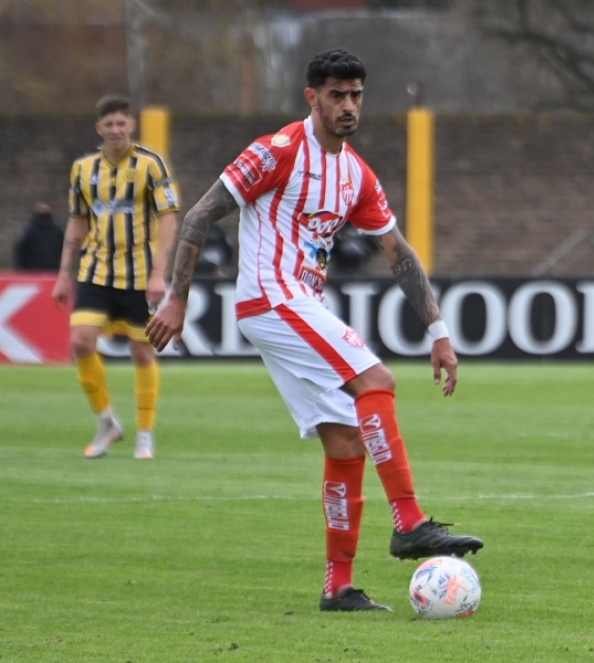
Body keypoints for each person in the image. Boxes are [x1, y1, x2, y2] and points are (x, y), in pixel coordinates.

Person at [146, 49, 483, 612]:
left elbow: (397, 253)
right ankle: (409, 522)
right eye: (336, 95)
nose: (348, 105)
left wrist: (439, 332)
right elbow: (201, 213)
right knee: (376, 380)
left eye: (356, 95)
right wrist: (177, 297)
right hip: (271, 297)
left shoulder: (356, 173)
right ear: (312, 97)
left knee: (346, 438)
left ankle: (338, 588)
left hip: (294, 303)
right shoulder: (277, 151)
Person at [52, 95, 180, 460]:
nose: (116, 130)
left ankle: (145, 434)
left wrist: (159, 273)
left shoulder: (151, 164)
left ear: (131, 125)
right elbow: (77, 223)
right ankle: (107, 422)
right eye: (109, 124)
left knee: (142, 351)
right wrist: (64, 274)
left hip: (140, 274)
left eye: (121, 123)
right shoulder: (83, 169)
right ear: (99, 128)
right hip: (95, 271)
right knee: (80, 342)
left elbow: (169, 218)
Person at [14, 201, 65, 272]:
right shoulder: (29, 231)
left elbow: (62, 249)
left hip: (52, 271)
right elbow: (21, 249)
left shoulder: (56, 231)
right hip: (33, 271)